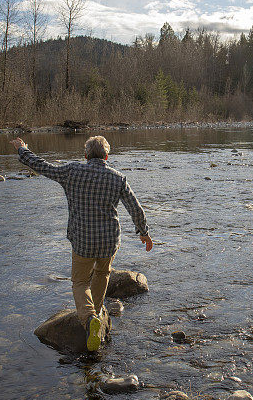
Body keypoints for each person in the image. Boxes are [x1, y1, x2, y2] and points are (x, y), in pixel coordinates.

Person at [11, 135, 152, 352]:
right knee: (103, 274)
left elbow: (41, 166)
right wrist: (144, 233)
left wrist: (22, 149)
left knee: (79, 282)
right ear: (106, 156)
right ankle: (95, 315)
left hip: (82, 240)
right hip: (108, 240)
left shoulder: (72, 171)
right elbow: (136, 208)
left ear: (86, 155)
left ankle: (88, 320)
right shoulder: (118, 178)